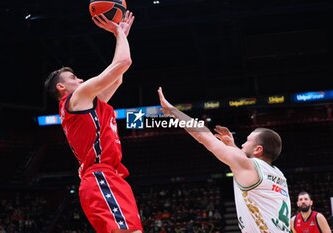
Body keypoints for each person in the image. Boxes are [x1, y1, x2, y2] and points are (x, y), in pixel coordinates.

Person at [44, 11, 143, 233]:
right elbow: (124, 62)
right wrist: (118, 31)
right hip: (100, 176)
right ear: (62, 88)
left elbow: (118, 77)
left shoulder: (84, 104)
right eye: (73, 78)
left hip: (108, 176)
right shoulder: (76, 98)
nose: (80, 80)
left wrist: (121, 36)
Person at [157, 87, 291, 233]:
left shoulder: (249, 166)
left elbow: (204, 136)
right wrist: (232, 146)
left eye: (247, 141)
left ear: (258, 149)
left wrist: (172, 111)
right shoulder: (278, 175)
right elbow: (246, 163)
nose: (243, 144)